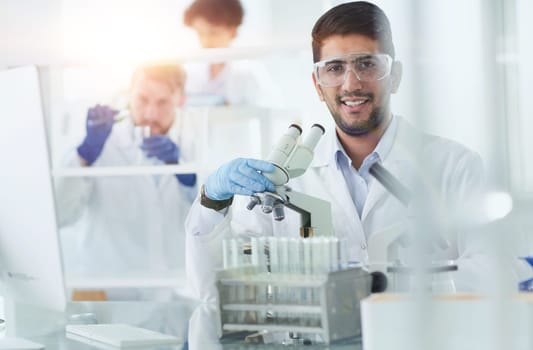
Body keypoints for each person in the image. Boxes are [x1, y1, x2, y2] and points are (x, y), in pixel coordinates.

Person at [185, 1, 489, 302]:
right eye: (335, 68)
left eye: (367, 64)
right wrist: (212, 201)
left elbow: (495, 273)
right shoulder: (289, 180)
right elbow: (218, 291)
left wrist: (402, 284)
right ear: (318, 86)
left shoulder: (455, 167)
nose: (351, 83)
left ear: (394, 75)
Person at [56, 64, 197, 300]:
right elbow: (60, 213)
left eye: (163, 103)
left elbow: (212, 221)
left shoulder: (193, 147)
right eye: (142, 100)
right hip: (114, 298)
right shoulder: (101, 146)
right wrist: (85, 155)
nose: (151, 114)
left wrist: (187, 176)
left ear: (180, 100)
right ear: (129, 95)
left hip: (176, 295)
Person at [183, 0, 281, 107]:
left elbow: (271, 113)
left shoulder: (249, 74)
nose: (206, 41)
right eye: (200, 33)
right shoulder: (189, 73)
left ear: (232, 31)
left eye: (214, 33)